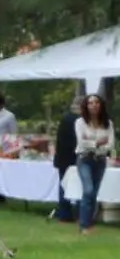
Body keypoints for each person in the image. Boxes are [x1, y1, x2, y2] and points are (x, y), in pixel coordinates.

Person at [74, 94, 113, 236]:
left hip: (100, 160)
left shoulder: (107, 123)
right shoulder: (80, 122)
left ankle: (89, 223)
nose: (94, 105)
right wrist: (98, 143)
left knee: (94, 193)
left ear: (101, 105)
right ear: (86, 105)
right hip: (84, 159)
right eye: (90, 103)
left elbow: (110, 144)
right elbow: (81, 143)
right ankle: (84, 225)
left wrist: (93, 144)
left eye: (96, 102)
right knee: (88, 190)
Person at [53, 96, 87, 224]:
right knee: (79, 186)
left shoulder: (65, 118)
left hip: (62, 158)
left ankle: (64, 213)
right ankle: (80, 214)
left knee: (63, 186)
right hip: (74, 158)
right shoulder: (78, 121)